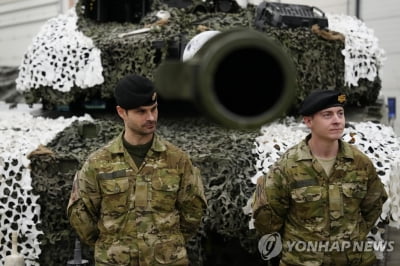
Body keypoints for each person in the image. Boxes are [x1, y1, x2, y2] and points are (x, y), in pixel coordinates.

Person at [67, 73, 207, 265]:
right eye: (141, 112)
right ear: (121, 112)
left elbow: (193, 212)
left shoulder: (177, 160)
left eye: (154, 109)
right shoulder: (98, 163)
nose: (151, 117)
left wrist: (165, 244)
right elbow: (81, 215)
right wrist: (112, 246)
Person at [251, 90, 388, 265]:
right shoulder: (287, 166)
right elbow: (268, 221)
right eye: (327, 115)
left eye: (340, 113)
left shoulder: (360, 163)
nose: (337, 120)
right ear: (308, 121)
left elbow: (373, 207)